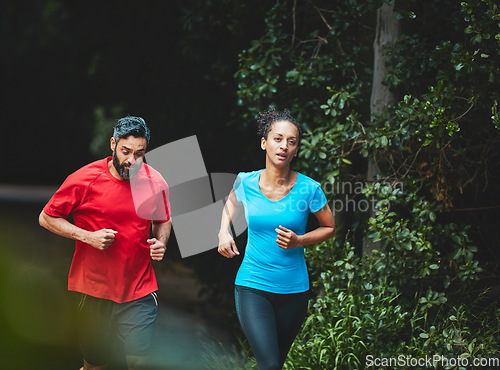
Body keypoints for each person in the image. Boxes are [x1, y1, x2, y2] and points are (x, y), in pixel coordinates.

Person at [39, 116, 172, 370]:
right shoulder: (84, 179)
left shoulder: (155, 182)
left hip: (139, 289)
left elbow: (163, 218)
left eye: (139, 153)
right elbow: (46, 217)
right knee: (94, 366)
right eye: (126, 151)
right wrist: (87, 236)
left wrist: (161, 241)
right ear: (113, 144)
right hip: (92, 290)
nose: (132, 160)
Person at [218, 107, 336, 369]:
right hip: (253, 286)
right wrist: (224, 230)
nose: (284, 146)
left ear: (296, 150)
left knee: (274, 365)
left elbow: (329, 227)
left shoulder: (309, 188)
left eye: (291, 142)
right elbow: (231, 203)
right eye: (278, 139)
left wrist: (299, 240)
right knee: (269, 364)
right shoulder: (245, 182)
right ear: (264, 143)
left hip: (294, 292)